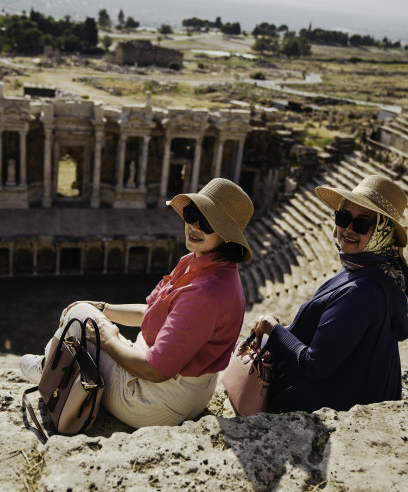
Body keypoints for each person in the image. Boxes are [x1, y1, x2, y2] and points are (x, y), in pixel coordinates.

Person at [20, 178, 254, 428]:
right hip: (190, 393)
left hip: (154, 403)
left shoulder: (206, 293)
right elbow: (154, 313)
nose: (194, 226)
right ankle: (52, 362)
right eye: (192, 213)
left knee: (78, 315)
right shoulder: (203, 264)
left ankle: (48, 369)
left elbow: (155, 370)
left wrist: (108, 338)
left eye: (207, 223)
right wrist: (103, 308)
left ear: (227, 236)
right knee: (88, 313)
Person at [250, 174, 408, 413]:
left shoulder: (361, 292)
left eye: (362, 224)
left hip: (332, 406)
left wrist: (273, 329)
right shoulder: (376, 272)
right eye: (343, 217)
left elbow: (315, 364)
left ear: (382, 234)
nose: (347, 229)